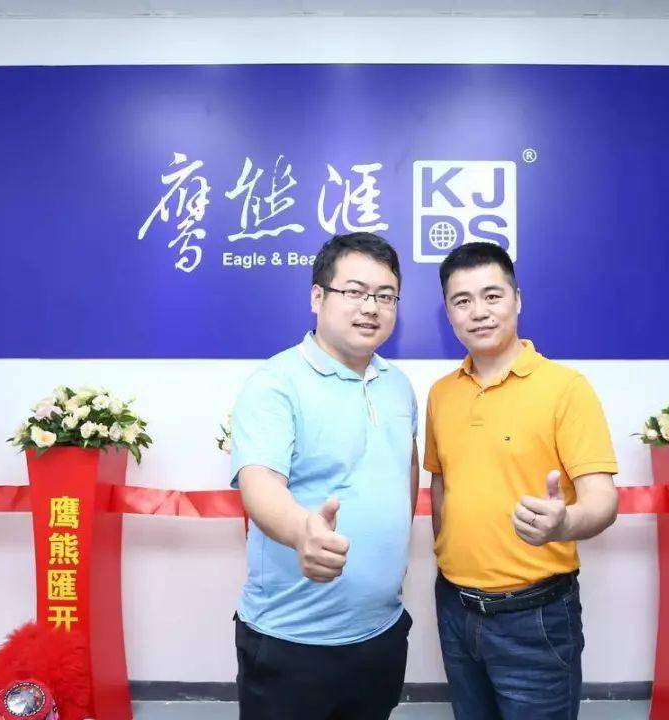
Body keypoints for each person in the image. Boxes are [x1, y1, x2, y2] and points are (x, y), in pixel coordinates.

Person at [424, 241, 619, 720]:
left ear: (517, 299)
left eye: (492, 296)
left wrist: (564, 523)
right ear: (448, 313)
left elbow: (602, 499)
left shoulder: (566, 388)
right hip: (455, 609)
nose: (478, 312)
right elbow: (442, 483)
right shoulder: (441, 394)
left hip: (535, 618)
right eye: (462, 300)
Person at [229, 232, 420, 720]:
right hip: (293, 642)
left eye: (385, 296)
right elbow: (259, 483)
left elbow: (406, 467)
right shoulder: (275, 383)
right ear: (318, 297)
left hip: (380, 633)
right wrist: (302, 533)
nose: (370, 307)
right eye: (355, 292)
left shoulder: (397, 385)